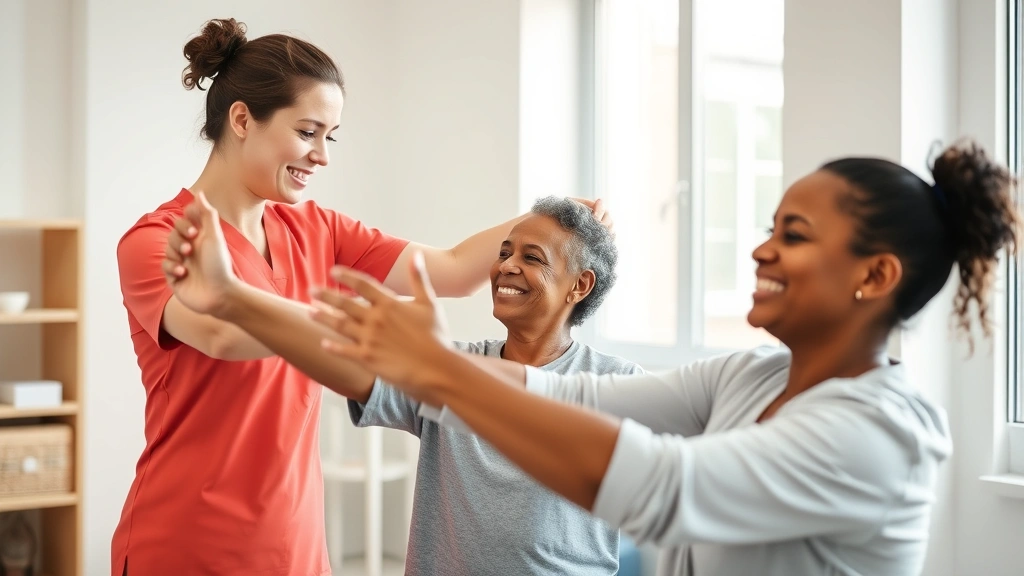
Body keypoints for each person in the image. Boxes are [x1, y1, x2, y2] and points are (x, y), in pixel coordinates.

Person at [304, 140, 1020, 576]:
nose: (761, 249)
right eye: (770, 228)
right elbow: (567, 400)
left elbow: (663, 487)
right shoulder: (751, 376)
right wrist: (235, 301)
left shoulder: (881, 431)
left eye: (794, 235)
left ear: (875, 275)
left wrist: (432, 366)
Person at [112, 18, 611, 576]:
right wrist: (368, 330)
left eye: (331, 136)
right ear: (242, 119)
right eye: (307, 132)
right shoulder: (154, 240)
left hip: (293, 543)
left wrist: (548, 220)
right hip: (187, 541)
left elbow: (448, 271)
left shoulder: (316, 230)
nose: (322, 155)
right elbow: (225, 334)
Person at [161, 194, 638, 574]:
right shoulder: (451, 367)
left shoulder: (617, 386)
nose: (506, 267)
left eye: (531, 257)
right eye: (504, 253)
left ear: (580, 285)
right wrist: (232, 297)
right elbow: (348, 363)